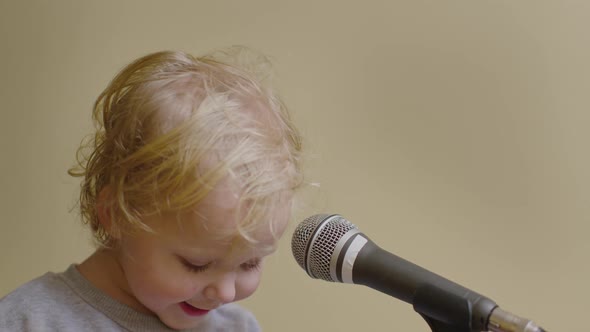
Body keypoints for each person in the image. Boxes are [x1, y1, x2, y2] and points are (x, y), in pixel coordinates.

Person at [0, 47, 303, 331]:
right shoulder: (31, 320)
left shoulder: (237, 327)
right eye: (196, 265)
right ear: (117, 214)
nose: (225, 292)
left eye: (249, 263)